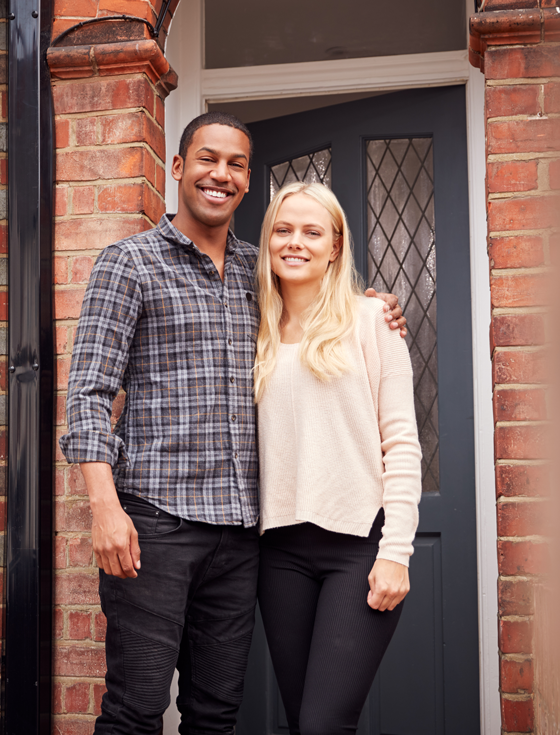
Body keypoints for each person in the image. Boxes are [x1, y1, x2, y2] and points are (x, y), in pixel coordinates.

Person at [59, 111, 407, 735]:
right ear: (178, 167)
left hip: (242, 536)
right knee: (136, 707)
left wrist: (374, 307)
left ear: (247, 181)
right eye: (207, 159)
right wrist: (104, 508)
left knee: (215, 715)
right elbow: (88, 393)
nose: (220, 174)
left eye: (236, 164)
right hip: (156, 526)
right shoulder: (129, 264)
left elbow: (322, 301)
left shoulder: (261, 274)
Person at [254, 182, 422, 735]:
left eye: (311, 231)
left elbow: (400, 443)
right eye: (283, 230)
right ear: (268, 240)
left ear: (335, 244)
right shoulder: (251, 329)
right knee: (304, 722)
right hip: (279, 553)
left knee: (325, 723)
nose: (295, 242)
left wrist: (395, 552)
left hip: (358, 548)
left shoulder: (372, 321)